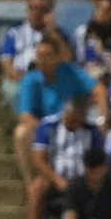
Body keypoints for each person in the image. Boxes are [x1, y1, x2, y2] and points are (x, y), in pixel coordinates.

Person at [25, 98, 104, 219]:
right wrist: (56, 179)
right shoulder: (48, 126)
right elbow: (38, 158)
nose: (75, 123)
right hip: (54, 176)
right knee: (37, 186)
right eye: (72, 118)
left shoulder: (92, 132)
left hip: (82, 180)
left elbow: (97, 160)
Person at [14, 40, 96, 186]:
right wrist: (45, 130)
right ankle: (31, 183)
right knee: (21, 133)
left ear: (57, 57)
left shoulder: (71, 72)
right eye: (39, 55)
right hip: (46, 130)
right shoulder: (30, 79)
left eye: (47, 55)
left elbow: (97, 89)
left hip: (74, 125)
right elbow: (25, 115)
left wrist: (105, 116)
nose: (43, 60)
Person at [0, 0, 73, 110]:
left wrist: (52, 30)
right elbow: (7, 62)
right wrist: (24, 81)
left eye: (41, 9)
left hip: (51, 80)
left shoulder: (58, 35)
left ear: (49, 12)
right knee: (14, 92)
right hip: (19, 78)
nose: (36, 13)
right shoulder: (14, 33)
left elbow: (68, 59)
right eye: (32, 8)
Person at [76, 0, 111, 83]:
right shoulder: (83, 33)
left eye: (109, 11)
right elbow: (82, 63)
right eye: (101, 10)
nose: (104, 15)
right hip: (93, 81)